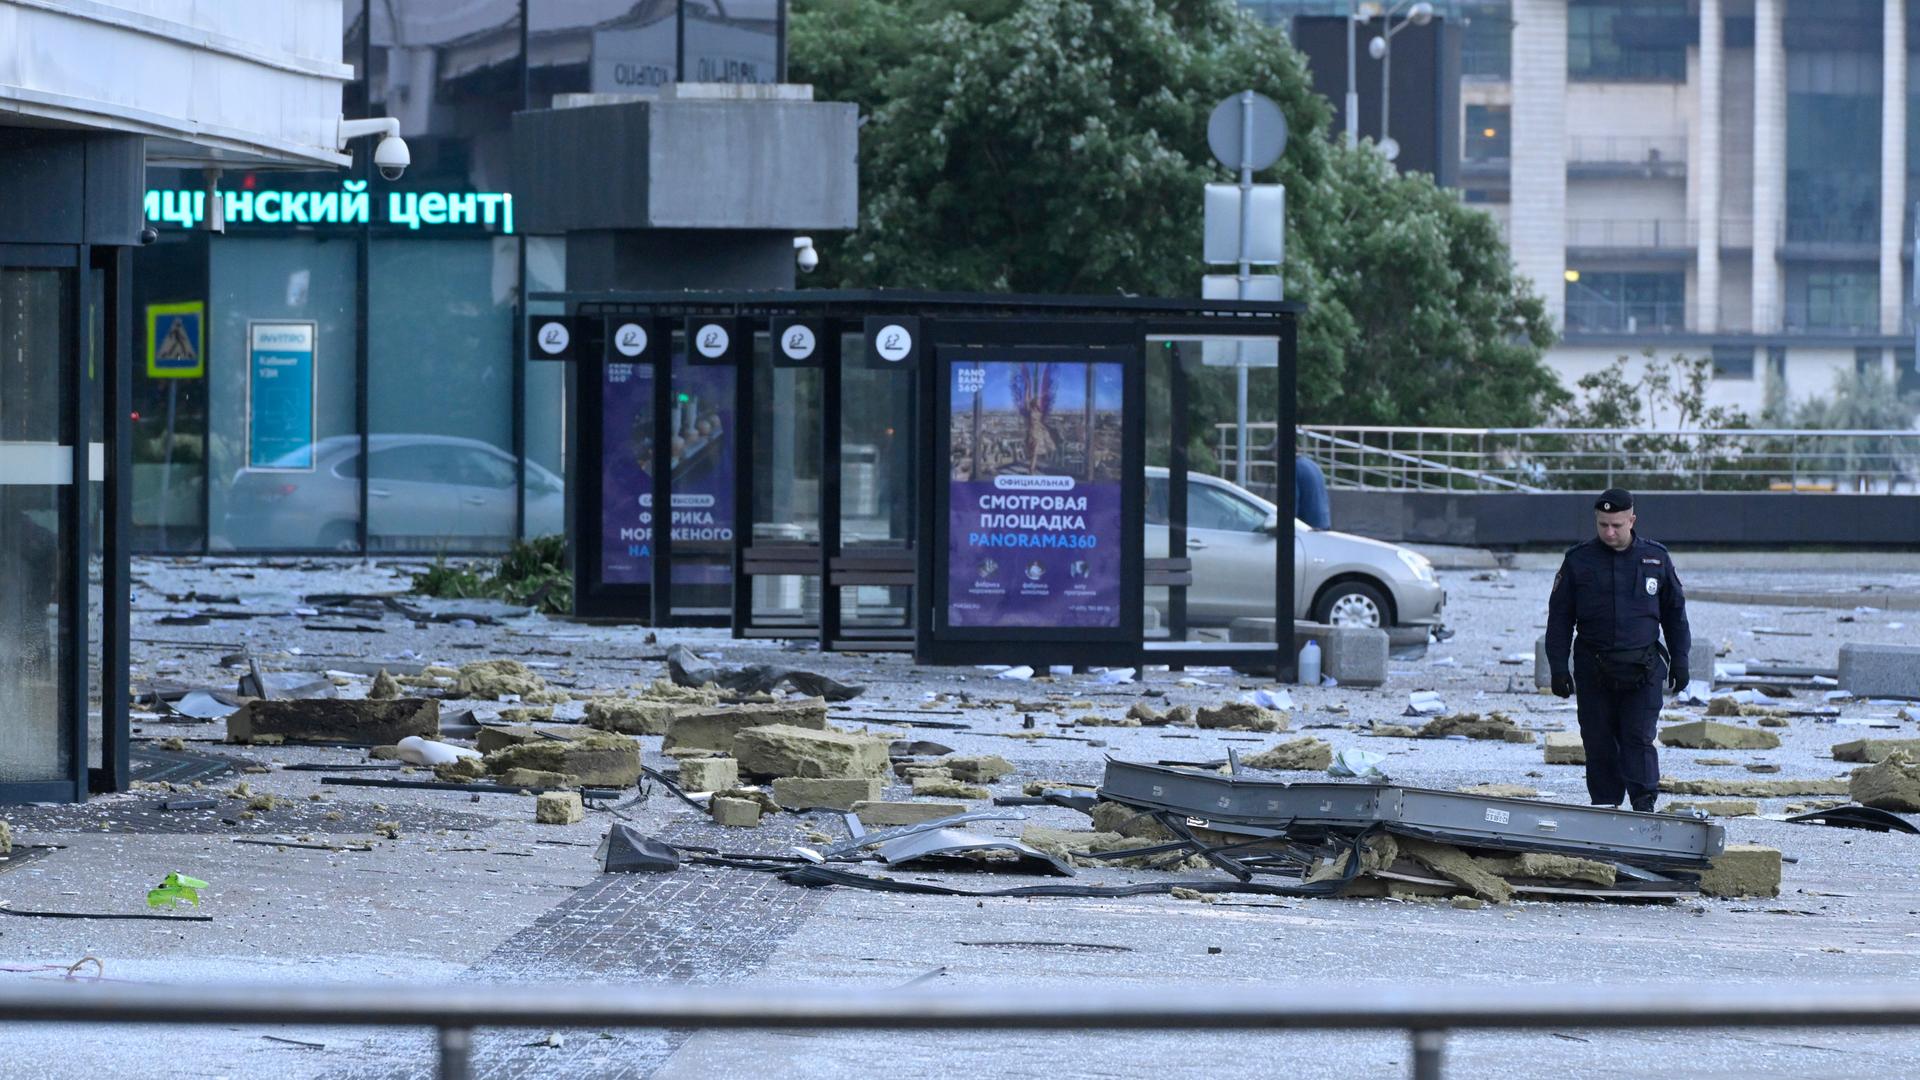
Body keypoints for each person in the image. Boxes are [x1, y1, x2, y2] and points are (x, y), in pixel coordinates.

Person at [1544, 488, 1691, 812]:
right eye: (1603, 525)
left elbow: (1674, 614)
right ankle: (1605, 808)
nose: (1609, 532)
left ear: (1632, 520)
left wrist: (1681, 659)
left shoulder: (1655, 558)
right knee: (1598, 743)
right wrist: (1557, 666)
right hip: (1594, 667)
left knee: (1638, 739)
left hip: (1643, 667)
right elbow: (1560, 617)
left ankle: (1644, 807)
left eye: (1617, 525)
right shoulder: (1578, 560)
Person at [1295, 455, 1330, 530]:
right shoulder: (1312, 464)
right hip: (1323, 521)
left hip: (1308, 526)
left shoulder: (1294, 468)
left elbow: (1292, 502)